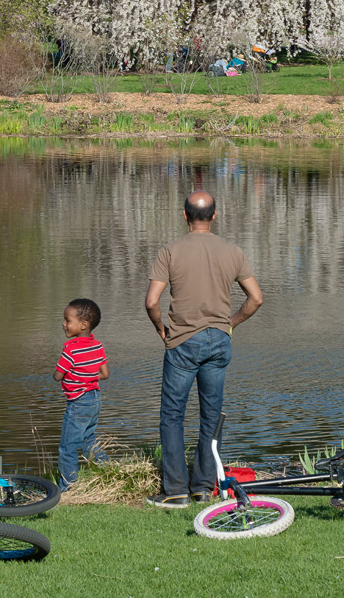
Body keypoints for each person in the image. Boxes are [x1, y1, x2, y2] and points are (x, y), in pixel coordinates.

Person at [144, 191, 263, 506]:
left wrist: (160, 327)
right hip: (219, 340)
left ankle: (176, 491)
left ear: (184, 215)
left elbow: (152, 301)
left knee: (172, 415)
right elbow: (256, 298)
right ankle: (202, 487)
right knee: (211, 415)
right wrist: (231, 323)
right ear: (213, 216)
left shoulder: (169, 251)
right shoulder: (233, 251)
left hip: (182, 341)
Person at [54, 298, 108, 488]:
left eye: (68, 320)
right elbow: (104, 374)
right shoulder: (98, 346)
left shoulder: (70, 348)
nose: (64, 324)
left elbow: (57, 375)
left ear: (83, 325)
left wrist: (74, 376)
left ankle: (68, 486)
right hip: (95, 399)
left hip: (77, 402)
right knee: (89, 439)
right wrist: (86, 377)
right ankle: (107, 472)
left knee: (68, 446)